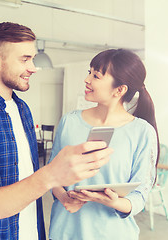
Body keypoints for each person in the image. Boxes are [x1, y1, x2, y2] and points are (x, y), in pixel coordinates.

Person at [0, 22, 113, 240]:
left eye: (33, 59)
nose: (33, 67)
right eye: (24, 59)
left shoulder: (22, 109)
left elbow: (27, 178)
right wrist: (51, 174)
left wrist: (64, 196)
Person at [48, 49, 159, 240]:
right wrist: (65, 198)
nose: (87, 79)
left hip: (113, 233)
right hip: (65, 231)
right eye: (89, 72)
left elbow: (140, 196)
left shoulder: (142, 132)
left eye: (96, 76)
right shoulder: (70, 121)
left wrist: (113, 202)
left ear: (120, 90)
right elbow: (52, 174)